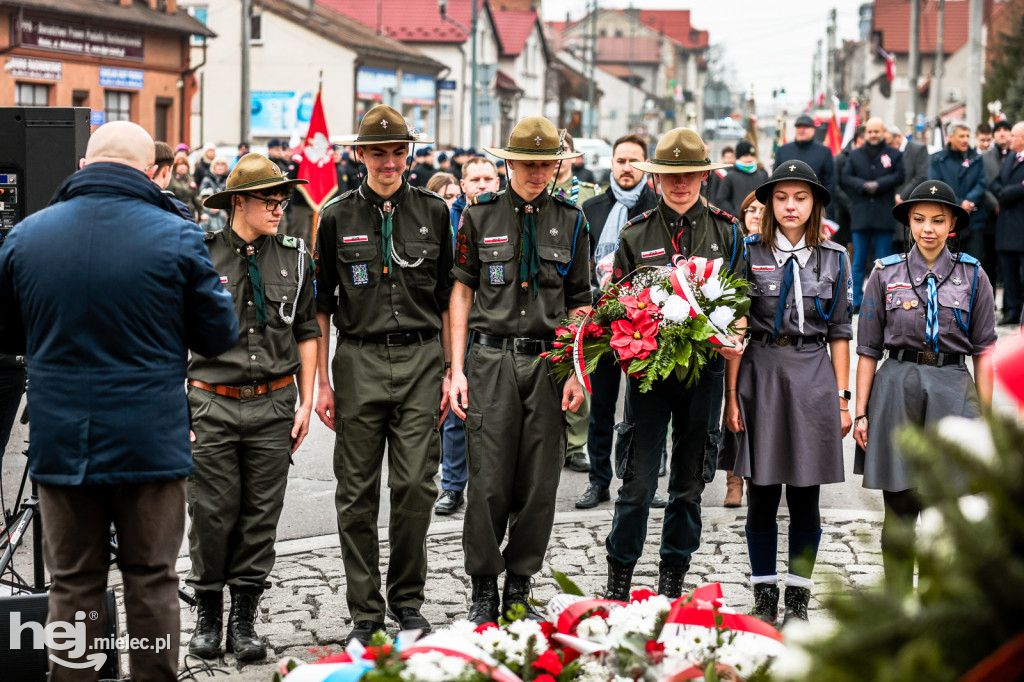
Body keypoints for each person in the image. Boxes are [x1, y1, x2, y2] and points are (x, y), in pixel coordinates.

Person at [0, 121, 237, 681]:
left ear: (82, 168)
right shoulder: (176, 235)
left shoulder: (27, 236)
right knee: (151, 577)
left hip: (62, 443)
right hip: (150, 440)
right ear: (150, 173)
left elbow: (8, 337)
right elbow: (218, 334)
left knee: (72, 582)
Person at [314, 105, 453, 644]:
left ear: (409, 154)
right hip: (359, 359)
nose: (389, 161)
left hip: (421, 358)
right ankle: (365, 614)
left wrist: (449, 369)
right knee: (356, 492)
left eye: (398, 150)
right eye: (378, 151)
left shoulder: (435, 212)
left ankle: (407, 602)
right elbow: (320, 303)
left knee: (417, 485)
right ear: (360, 155)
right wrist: (323, 381)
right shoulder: (335, 216)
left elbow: (448, 297)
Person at [448, 116, 590, 624]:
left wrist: (576, 367)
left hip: (549, 362)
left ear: (558, 165)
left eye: (545, 163)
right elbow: (461, 291)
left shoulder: (573, 220)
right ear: (508, 163)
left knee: (539, 482)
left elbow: (579, 301)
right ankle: (484, 587)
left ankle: (519, 585)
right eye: (526, 164)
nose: (535, 172)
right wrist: (456, 368)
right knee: (487, 481)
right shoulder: (478, 216)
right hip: (489, 358)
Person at [185, 154, 319, 661]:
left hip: (273, 402)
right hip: (211, 403)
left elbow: (306, 328)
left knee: (261, 515)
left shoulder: (295, 255)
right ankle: (208, 613)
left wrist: (305, 400)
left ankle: (243, 620)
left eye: (282, 200)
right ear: (238, 201)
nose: (279, 208)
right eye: (269, 199)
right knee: (210, 513)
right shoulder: (199, 256)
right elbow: (170, 334)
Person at [602, 128, 746, 601]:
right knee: (637, 485)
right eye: (669, 175)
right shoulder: (635, 231)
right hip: (647, 377)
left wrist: (734, 336)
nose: (679, 184)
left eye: (688, 175)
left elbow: (742, 303)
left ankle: (672, 581)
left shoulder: (727, 231)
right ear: (656, 177)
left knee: (688, 486)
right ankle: (619, 581)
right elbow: (616, 303)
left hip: (703, 375)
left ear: (704, 175)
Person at [721, 161, 853, 626]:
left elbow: (840, 330)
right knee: (761, 491)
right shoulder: (748, 252)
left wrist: (842, 397)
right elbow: (736, 326)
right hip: (760, 372)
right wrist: (732, 394)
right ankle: (763, 595)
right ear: (768, 204)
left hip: (813, 372)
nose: (790, 205)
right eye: (781, 197)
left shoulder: (834, 257)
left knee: (804, 493)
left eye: (800, 197)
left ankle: (797, 598)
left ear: (814, 203)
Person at [853, 179, 996, 595]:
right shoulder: (884, 274)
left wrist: (985, 420)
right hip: (897, 385)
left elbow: (985, 351)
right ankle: (898, 606)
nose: (927, 228)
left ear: (953, 223)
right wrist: (861, 411)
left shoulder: (974, 275)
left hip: (953, 387)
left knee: (943, 510)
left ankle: (935, 609)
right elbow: (867, 349)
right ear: (909, 223)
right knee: (898, 506)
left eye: (937, 220)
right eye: (919, 220)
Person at [577, 133, 659, 510]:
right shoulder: (592, 209)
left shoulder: (658, 209)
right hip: (600, 323)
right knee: (602, 407)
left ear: (645, 165)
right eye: (620, 160)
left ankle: (644, 482)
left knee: (648, 410)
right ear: (611, 163)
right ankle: (598, 481)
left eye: (634, 161)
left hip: (646, 325)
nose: (626, 168)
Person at [435, 156, 501, 516]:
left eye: (488, 178)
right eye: (474, 179)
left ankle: (486, 486)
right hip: (454, 323)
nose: (481, 184)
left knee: (492, 412)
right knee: (456, 405)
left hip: (492, 324)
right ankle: (452, 486)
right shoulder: (445, 219)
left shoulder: (502, 216)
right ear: (462, 185)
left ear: (497, 181)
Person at [550, 132, 600, 473]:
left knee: (578, 362)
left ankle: (577, 443)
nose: (558, 159)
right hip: (547, 287)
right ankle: (554, 439)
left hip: (580, 284)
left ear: (574, 156)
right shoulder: (539, 188)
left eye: (563, 151)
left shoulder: (589, 195)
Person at [715, 190, 765, 509]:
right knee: (733, 411)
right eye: (751, 210)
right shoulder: (737, 249)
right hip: (737, 340)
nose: (757, 215)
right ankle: (734, 480)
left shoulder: (775, 251)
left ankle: (759, 478)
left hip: (766, 343)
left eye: (762, 210)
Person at [843, 117, 905, 313]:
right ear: (865, 133)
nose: (873, 135)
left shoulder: (894, 154)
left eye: (877, 132)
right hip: (861, 215)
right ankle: (855, 301)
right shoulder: (854, 155)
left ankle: (884, 298)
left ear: (883, 132)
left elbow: (900, 175)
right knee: (859, 261)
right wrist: (862, 185)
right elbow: (845, 177)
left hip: (883, 216)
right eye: (870, 132)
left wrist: (879, 184)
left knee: (883, 261)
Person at [929, 121, 987, 250]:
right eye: (961, 136)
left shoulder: (976, 158)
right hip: (948, 219)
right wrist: (959, 203)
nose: (966, 140)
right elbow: (936, 186)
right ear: (950, 137)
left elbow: (981, 183)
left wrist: (969, 201)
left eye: (967, 136)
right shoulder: (937, 159)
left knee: (972, 263)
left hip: (974, 218)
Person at [991, 122, 1024, 326]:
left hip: (1021, 225)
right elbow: (995, 182)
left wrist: (1007, 192)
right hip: (1006, 225)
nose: (1009, 139)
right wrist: (1009, 191)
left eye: (1013, 135)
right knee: (1008, 271)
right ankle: (1012, 310)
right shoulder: (1010, 158)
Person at [774, 114, 836, 219]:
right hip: (787, 207)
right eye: (798, 127)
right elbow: (775, 180)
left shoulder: (824, 152)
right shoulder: (783, 150)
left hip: (815, 208)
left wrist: (824, 210)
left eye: (805, 127)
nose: (801, 130)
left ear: (813, 129)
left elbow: (830, 183)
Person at [981, 120, 1014, 281]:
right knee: (989, 265)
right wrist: (994, 204)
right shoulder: (984, 158)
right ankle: (989, 303)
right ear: (994, 135)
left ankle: (1011, 306)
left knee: (1011, 268)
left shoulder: (1016, 157)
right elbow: (982, 184)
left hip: (1013, 220)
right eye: (998, 130)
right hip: (990, 221)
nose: (1002, 133)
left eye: (1006, 130)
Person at [712, 140, 769, 217]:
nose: (749, 159)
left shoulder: (762, 175)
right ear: (738, 157)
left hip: (759, 218)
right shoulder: (730, 176)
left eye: (752, 156)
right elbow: (721, 199)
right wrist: (734, 214)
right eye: (745, 156)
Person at [833, 125, 865, 251]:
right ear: (859, 140)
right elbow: (834, 186)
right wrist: (851, 206)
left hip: (864, 214)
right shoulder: (840, 159)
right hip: (843, 213)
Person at [200, 157, 231, 232]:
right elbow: (203, 197)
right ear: (213, 167)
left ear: (226, 167)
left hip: (226, 214)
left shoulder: (230, 180)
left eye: (222, 165)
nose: (220, 167)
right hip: (210, 214)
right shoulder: (207, 179)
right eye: (218, 165)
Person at [168, 156, 203, 220]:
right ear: (175, 167)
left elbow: (196, 197)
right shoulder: (170, 179)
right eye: (180, 165)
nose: (182, 167)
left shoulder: (191, 179)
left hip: (190, 211)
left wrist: (201, 213)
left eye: (184, 164)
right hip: (177, 211)